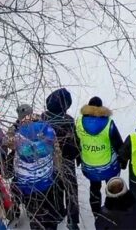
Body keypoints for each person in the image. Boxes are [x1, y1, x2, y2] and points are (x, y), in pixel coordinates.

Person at [11, 115, 64, 229]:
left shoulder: (18, 136)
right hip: (47, 179)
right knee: (50, 210)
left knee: (35, 213)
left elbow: (7, 143)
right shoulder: (48, 132)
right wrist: (57, 170)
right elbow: (57, 154)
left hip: (27, 183)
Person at [75, 96, 124, 215]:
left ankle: (96, 213)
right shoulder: (108, 124)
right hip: (109, 166)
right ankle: (113, 210)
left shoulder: (79, 123)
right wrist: (122, 160)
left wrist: (78, 159)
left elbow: (76, 143)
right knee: (113, 186)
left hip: (89, 166)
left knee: (94, 188)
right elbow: (118, 144)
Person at [42, 88, 81, 230]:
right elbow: (75, 142)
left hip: (49, 160)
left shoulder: (43, 118)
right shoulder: (68, 120)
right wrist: (77, 156)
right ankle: (72, 220)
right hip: (66, 160)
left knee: (55, 187)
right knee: (71, 189)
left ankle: (58, 212)